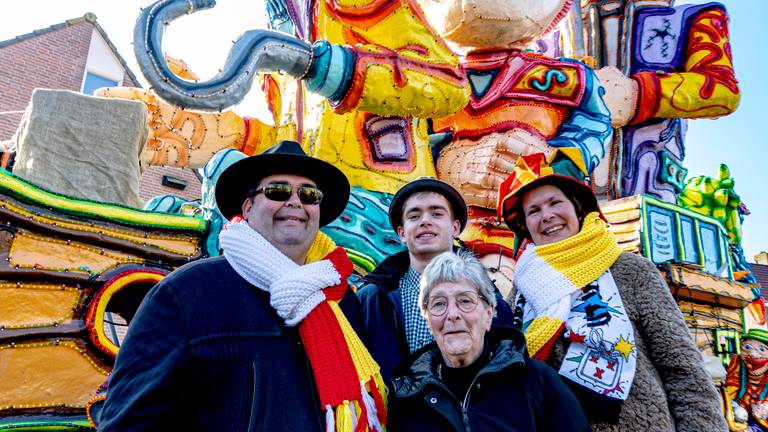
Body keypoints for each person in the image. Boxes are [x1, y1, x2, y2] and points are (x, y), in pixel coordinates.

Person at [96, 140, 386, 431]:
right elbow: (130, 421)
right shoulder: (187, 292)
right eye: (278, 191)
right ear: (247, 207)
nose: (296, 201)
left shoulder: (340, 297)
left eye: (309, 194)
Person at [497, 148, 728, 431]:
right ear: (525, 225)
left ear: (577, 208)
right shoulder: (521, 289)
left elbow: (682, 368)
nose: (546, 216)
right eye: (534, 211)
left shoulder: (631, 270)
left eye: (555, 203)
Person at [388, 251, 591, 431]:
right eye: (439, 304)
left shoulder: (538, 383)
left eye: (465, 301)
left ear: (488, 313)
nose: (452, 314)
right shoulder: (407, 399)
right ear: (429, 322)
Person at [356, 177, 512, 383]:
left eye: (437, 213)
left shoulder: (489, 298)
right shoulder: (372, 298)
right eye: (414, 216)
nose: (425, 221)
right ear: (402, 233)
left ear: (455, 228)